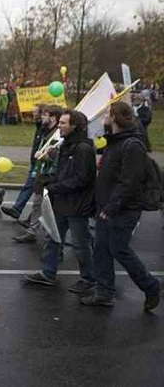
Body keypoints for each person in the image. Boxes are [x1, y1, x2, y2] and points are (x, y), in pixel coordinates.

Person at [81, 102, 161, 310]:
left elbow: (130, 182)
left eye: (107, 113)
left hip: (123, 209)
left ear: (115, 117)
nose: (104, 117)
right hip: (105, 206)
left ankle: (151, 285)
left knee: (119, 249)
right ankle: (104, 292)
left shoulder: (132, 145)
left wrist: (111, 208)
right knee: (101, 250)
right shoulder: (113, 142)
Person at [23, 110, 97, 293]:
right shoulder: (65, 146)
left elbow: (82, 178)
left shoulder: (84, 149)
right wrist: (49, 179)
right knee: (53, 237)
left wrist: (55, 187)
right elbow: (63, 172)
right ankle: (48, 272)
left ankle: (89, 278)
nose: (59, 126)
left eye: (63, 123)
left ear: (74, 126)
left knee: (81, 243)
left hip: (77, 205)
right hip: (61, 201)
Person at [11, 105, 62, 243]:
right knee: (38, 205)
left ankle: (46, 236)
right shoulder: (46, 131)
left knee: (44, 206)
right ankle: (33, 231)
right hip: (41, 174)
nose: (42, 117)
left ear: (53, 118)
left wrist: (45, 157)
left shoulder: (56, 135)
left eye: (45, 115)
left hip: (48, 176)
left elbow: (57, 155)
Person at [1, 103, 47, 220]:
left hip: (39, 163)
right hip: (35, 162)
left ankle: (27, 215)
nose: (33, 113)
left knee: (36, 191)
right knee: (29, 186)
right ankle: (19, 210)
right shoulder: (40, 126)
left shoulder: (44, 129)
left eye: (35, 111)